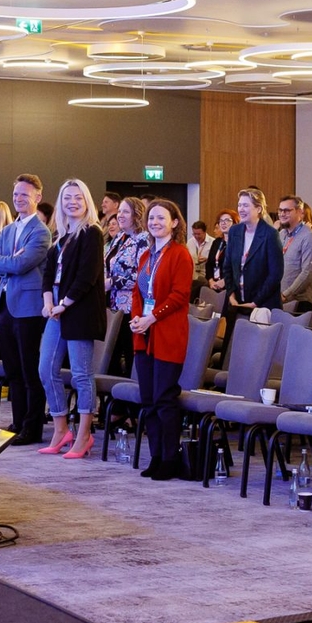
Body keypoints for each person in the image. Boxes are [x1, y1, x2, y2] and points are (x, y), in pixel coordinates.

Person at [38, 178, 106, 459]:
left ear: (87, 201)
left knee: (81, 374)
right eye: (67, 198)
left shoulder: (92, 233)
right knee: (46, 369)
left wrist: (64, 304)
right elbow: (48, 274)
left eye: (78, 197)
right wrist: (48, 302)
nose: (72, 202)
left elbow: (87, 276)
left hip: (78, 310)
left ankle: (84, 435)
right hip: (56, 310)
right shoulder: (61, 236)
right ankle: (61, 429)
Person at [0, 175, 53, 443]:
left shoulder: (40, 231)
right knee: (12, 369)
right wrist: (3, 261)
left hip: (29, 307)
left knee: (29, 369)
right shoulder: (9, 230)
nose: (19, 199)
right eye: (16, 194)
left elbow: (21, 264)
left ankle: (32, 428)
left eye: (25, 194)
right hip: (6, 305)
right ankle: (18, 421)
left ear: (37, 197)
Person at [129, 199, 195, 479]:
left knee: (164, 398)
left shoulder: (180, 254)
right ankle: (156, 455)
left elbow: (180, 295)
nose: (155, 222)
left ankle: (170, 458)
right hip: (144, 334)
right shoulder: (147, 255)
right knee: (148, 400)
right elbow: (137, 292)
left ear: (174, 222)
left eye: (161, 218)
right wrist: (137, 318)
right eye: (151, 218)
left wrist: (152, 317)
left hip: (167, 333)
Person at [220, 187, 283, 328]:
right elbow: (227, 266)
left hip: (263, 304)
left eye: (245, 205)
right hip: (236, 302)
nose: (241, 209)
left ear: (259, 209)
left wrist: (256, 301)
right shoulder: (234, 231)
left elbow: (275, 274)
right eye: (239, 205)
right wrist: (231, 294)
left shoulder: (270, 234)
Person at [104, 197, 148, 376]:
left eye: (126, 212)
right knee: (111, 355)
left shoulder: (143, 239)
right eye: (119, 211)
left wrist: (112, 282)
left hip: (131, 306)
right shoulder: (119, 237)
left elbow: (142, 276)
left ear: (136, 215)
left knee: (129, 354)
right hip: (113, 305)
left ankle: (130, 391)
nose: (120, 215)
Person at [276, 195, 312, 314]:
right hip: (279, 299)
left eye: (287, 210)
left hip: (299, 303)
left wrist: (285, 295)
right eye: (280, 210)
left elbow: (307, 272)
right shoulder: (282, 234)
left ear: (300, 212)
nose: (282, 214)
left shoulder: (309, 236)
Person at [202, 210, 234, 288]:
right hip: (214, 284)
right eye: (221, 221)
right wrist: (211, 281)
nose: (223, 223)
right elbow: (209, 264)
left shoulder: (239, 244)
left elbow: (239, 268)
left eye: (227, 220)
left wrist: (225, 281)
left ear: (235, 223)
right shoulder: (217, 242)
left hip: (231, 285)